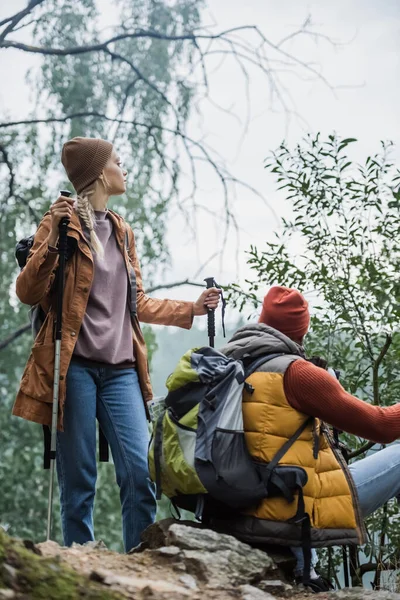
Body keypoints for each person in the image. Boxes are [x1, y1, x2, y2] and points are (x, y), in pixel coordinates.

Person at [13, 136, 221, 552]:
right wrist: (53, 237)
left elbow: (136, 302)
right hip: (74, 367)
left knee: (139, 473)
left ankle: (138, 559)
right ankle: (81, 564)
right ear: (98, 174)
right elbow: (28, 291)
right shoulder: (63, 223)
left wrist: (192, 309)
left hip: (123, 370)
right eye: (116, 161)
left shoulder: (122, 232)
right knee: (79, 480)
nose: (122, 166)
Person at [211, 285, 400, 593]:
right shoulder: (298, 374)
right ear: (301, 330)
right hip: (282, 512)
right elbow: (383, 426)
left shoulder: (232, 361)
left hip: (237, 502)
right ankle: (304, 568)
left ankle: (303, 566)